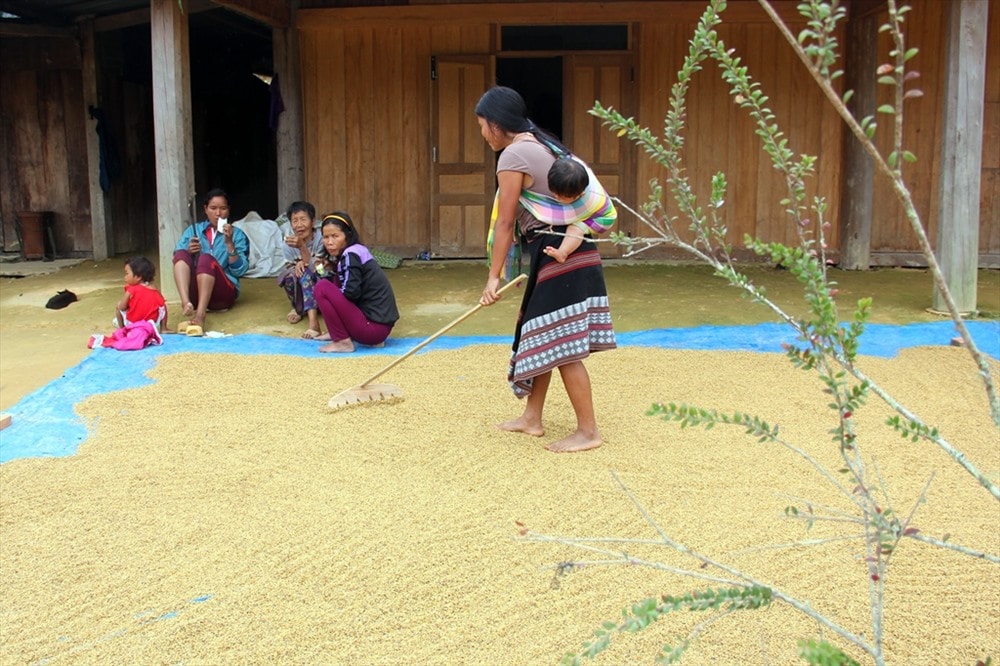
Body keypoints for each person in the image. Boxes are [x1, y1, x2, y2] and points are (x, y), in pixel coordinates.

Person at [475, 85, 617, 453]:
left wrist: (493, 276)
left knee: (564, 344)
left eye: (481, 125)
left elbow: (505, 224)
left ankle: (588, 431)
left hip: (560, 255)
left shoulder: (513, 156)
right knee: (542, 335)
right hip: (569, 250)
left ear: (494, 123)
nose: (481, 133)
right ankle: (532, 417)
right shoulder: (541, 145)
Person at [313, 212, 399, 353]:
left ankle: (342, 341)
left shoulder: (351, 254)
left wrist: (326, 278)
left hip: (372, 330)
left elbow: (351, 293)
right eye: (326, 237)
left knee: (321, 287)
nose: (329, 242)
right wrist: (329, 269)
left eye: (335, 236)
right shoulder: (356, 251)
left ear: (348, 235)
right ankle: (338, 333)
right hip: (378, 329)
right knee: (333, 281)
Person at [171, 188, 250, 336]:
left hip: (223, 296)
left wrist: (229, 243)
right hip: (197, 293)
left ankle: (200, 315)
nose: (218, 213)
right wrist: (189, 251)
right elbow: (177, 258)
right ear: (205, 209)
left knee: (206, 259)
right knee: (181, 253)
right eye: (213, 208)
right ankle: (186, 302)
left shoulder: (238, 235)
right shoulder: (193, 230)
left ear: (228, 210)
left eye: (223, 208)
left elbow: (240, 271)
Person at [87, 255, 166, 351]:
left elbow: (122, 307)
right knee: (163, 306)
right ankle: (164, 328)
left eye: (127, 273)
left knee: (118, 305)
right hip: (153, 323)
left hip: (135, 323)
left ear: (138, 277)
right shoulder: (155, 289)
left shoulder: (132, 289)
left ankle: (123, 329)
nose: (125, 277)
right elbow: (161, 305)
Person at [277, 200, 325, 339]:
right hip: (303, 292)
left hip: (323, 289)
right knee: (289, 276)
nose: (299, 225)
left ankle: (314, 325)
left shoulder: (322, 239)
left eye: (303, 219)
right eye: (295, 221)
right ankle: (299, 308)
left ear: (313, 221)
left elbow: (322, 271)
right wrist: (298, 265)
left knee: (307, 273)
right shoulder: (287, 244)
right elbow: (289, 267)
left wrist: (303, 249)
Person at [541, 156, 591, 263]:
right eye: (554, 193)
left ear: (579, 194)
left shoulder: (586, 199)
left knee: (576, 228)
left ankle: (563, 252)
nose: (557, 198)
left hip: (598, 219)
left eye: (562, 197)